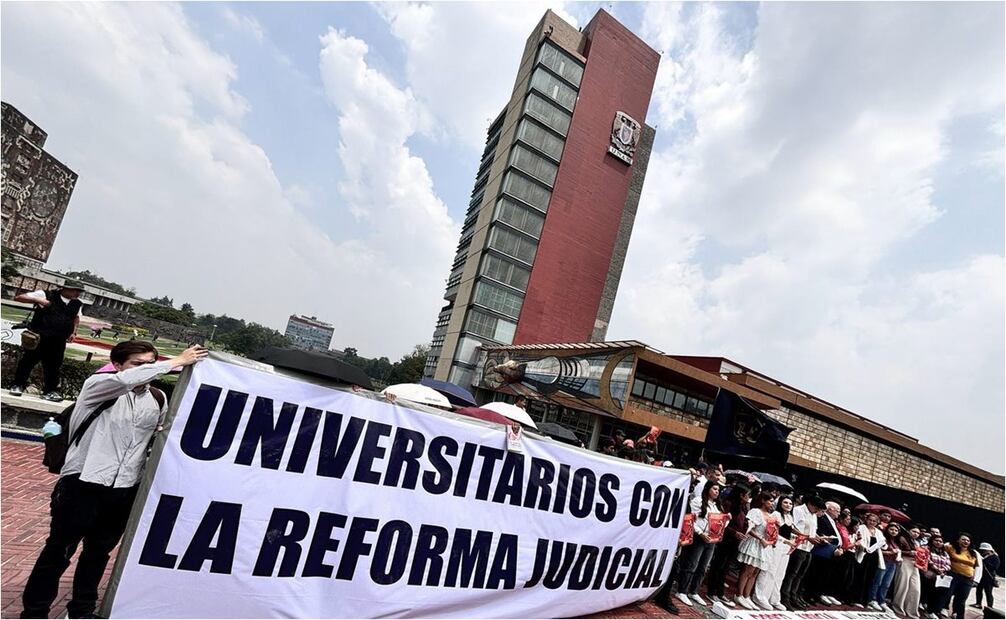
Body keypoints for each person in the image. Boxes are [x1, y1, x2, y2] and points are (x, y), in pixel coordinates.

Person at [19, 342, 208, 619]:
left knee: (98, 553)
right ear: (118, 364)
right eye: (138, 364)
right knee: (59, 551)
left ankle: (81, 610)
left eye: (150, 363)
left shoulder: (156, 398)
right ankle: (35, 612)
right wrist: (173, 362)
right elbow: (125, 381)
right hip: (83, 483)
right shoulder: (100, 385)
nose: (146, 369)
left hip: (123, 488)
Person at [10, 280, 86, 401]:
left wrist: (73, 332)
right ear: (65, 289)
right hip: (40, 336)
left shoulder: (77, 304)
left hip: (59, 339)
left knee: (54, 366)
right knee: (28, 362)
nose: (77, 293)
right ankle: (18, 385)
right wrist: (39, 300)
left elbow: (76, 318)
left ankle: (50, 391)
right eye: (75, 290)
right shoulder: (47, 295)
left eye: (79, 291)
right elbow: (19, 297)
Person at [676, 480, 723, 608]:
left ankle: (694, 591)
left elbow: (719, 524)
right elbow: (691, 520)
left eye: (718, 490)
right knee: (692, 564)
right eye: (714, 489)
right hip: (699, 537)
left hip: (711, 539)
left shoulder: (717, 505)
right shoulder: (698, 501)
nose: (717, 492)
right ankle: (682, 590)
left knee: (703, 567)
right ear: (707, 488)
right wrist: (700, 533)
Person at [706, 484, 751, 605]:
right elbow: (722, 522)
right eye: (747, 495)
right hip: (725, 539)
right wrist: (735, 532)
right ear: (741, 495)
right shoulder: (728, 504)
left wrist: (745, 528)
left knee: (725, 568)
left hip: (735, 541)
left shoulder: (743, 507)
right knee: (718, 565)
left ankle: (720, 592)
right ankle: (711, 591)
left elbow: (743, 522)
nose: (748, 498)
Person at [780, 494, 824, 610]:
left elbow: (813, 530)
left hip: (808, 548)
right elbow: (793, 527)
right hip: (798, 546)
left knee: (800, 575)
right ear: (810, 504)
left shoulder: (813, 515)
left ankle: (794, 596)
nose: (817, 512)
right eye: (816, 508)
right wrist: (807, 537)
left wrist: (818, 538)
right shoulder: (798, 510)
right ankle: (785, 596)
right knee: (792, 573)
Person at [735, 492, 776, 610]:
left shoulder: (771, 515)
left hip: (764, 546)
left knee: (755, 573)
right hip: (754, 543)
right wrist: (760, 538)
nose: (772, 503)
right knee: (747, 571)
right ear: (763, 500)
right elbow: (749, 528)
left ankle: (747, 596)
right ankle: (739, 594)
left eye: (773, 501)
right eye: (770, 501)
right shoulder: (755, 512)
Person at [754, 495, 795, 611]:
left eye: (790, 503)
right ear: (780, 503)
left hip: (787, 547)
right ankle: (760, 596)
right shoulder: (776, 515)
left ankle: (774, 598)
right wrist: (786, 540)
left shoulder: (790, 517)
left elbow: (790, 531)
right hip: (776, 545)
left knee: (780, 574)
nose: (788, 505)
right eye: (785, 503)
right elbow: (773, 531)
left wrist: (794, 539)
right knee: (769, 571)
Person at [806, 501, 843, 606]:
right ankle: (811, 595)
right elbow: (820, 533)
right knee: (816, 575)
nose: (839, 514)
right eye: (837, 511)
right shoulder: (822, 518)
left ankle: (818, 594)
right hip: (822, 551)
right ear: (830, 509)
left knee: (824, 575)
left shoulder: (832, 520)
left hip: (832, 552)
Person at [854, 512, 886, 609]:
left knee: (870, 579)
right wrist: (864, 548)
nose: (872, 522)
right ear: (866, 520)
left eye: (874, 521)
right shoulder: (861, 528)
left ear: (877, 522)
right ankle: (856, 599)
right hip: (864, 555)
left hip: (874, 557)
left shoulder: (878, 531)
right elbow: (859, 539)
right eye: (870, 520)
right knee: (860, 577)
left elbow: (884, 543)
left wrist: (883, 544)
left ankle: (865, 600)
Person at [945, 533, 980, 619]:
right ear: (958, 540)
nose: (966, 541)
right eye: (963, 539)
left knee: (962, 599)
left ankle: (959, 616)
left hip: (967, 579)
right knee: (947, 594)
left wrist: (974, 577)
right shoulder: (950, 547)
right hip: (953, 575)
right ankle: (942, 610)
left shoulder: (973, 553)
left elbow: (975, 566)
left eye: (968, 540)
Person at [890, 524, 922, 616]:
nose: (916, 534)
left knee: (916, 589)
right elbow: (897, 550)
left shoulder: (916, 542)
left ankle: (912, 611)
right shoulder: (901, 538)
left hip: (915, 564)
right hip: (905, 561)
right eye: (914, 531)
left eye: (918, 533)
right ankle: (898, 608)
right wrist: (909, 552)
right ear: (909, 531)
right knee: (902, 585)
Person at [870, 522, 901, 612]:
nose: (893, 531)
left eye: (896, 530)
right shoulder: (883, 539)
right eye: (891, 529)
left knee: (886, 584)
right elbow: (876, 550)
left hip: (893, 563)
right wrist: (890, 552)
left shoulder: (896, 541)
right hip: (883, 562)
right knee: (877, 581)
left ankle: (882, 601)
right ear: (887, 530)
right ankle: (872, 599)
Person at [923, 533, 952, 618]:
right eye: (936, 540)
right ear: (932, 541)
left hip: (941, 575)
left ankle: (933, 611)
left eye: (940, 541)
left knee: (940, 593)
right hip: (929, 573)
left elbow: (949, 564)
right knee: (930, 592)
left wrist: (943, 570)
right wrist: (936, 569)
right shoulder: (927, 548)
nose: (938, 542)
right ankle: (927, 610)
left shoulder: (944, 553)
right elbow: (928, 560)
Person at [974, 543, 1000, 609]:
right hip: (981, 577)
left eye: (984, 550)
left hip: (989, 578)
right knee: (979, 590)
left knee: (988, 592)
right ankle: (978, 603)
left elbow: (995, 567)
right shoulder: (983, 556)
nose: (983, 551)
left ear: (989, 550)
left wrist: (984, 561)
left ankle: (990, 607)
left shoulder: (995, 557)